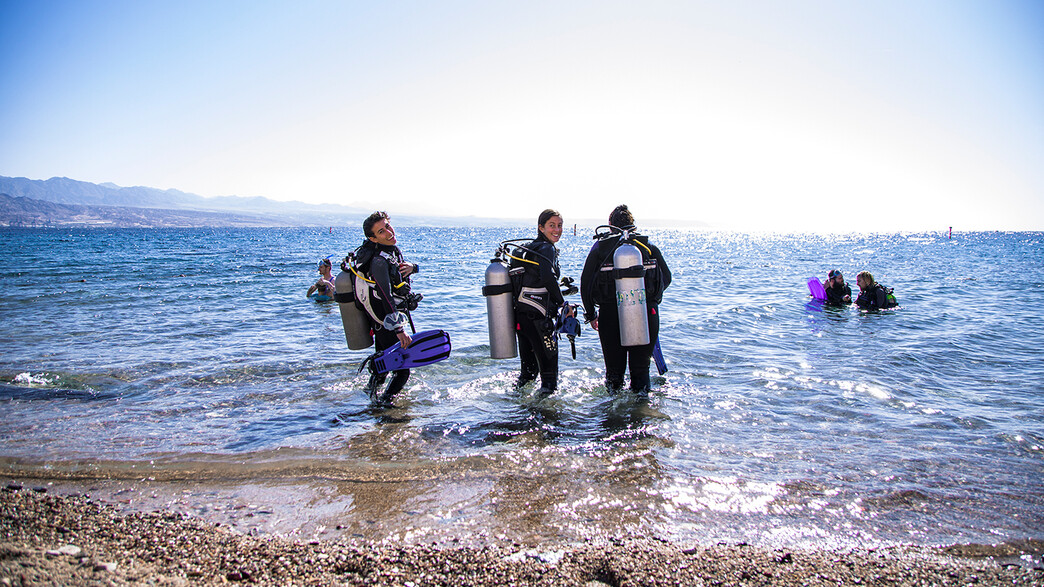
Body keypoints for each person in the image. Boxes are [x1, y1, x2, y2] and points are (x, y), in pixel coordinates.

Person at [581, 205, 672, 393]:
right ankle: (641, 415)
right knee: (640, 372)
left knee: (614, 375)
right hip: (645, 312)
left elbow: (586, 284)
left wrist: (591, 314)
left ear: (610, 225)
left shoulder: (600, 248)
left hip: (610, 313)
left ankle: (613, 417)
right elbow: (667, 278)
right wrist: (647, 300)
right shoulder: (647, 246)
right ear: (633, 226)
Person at [352, 211, 421, 404]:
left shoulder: (390, 251)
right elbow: (385, 294)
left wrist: (413, 267)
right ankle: (386, 407)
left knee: (382, 367)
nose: (389, 233)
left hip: (381, 322)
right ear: (373, 238)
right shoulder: (378, 261)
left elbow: (398, 275)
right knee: (402, 372)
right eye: (381, 231)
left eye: (388, 226)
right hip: (386, 321)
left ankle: (370, 401)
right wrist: (398, 329)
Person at [512, 209, 569, 397]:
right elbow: (547, 277)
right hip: (539, 321)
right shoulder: (547, 249)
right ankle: (547, 420)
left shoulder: (525, 249)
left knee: (528, 375)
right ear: (541, 227)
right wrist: (562, 304)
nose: (557, 230)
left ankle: (517, 413)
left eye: (560, 225)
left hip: (521, 319)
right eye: (552, 225)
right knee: (549, 378)